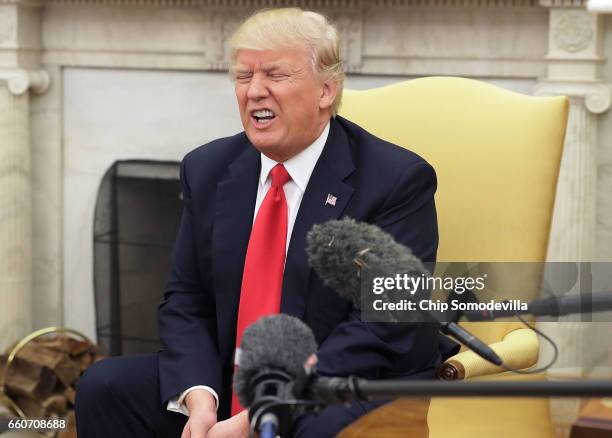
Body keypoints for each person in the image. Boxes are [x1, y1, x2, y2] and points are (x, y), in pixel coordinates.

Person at [75, 8, 458, 438]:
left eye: (275, 75)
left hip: (346, 381)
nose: (255, 91)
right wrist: (199, 397)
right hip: (232, 376)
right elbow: (186, 299)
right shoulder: (208, 168)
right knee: (104, 386)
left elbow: (379, 328)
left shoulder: (395, 181)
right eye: (243, 77)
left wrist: (259, 415)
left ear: (326, 90)